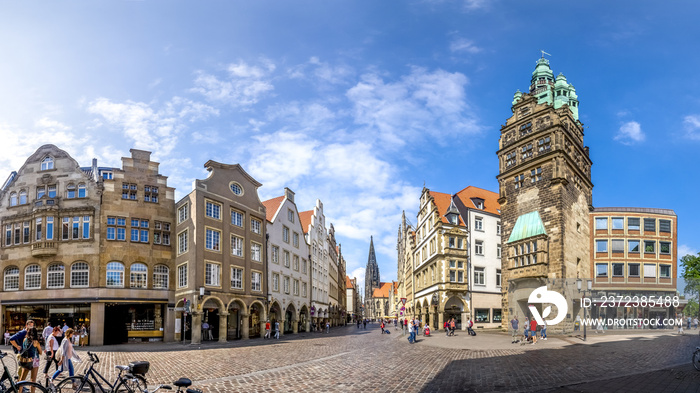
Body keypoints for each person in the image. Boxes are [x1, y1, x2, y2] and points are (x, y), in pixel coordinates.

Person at [19, 327, 42, 391]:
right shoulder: (36, 342)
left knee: (22, 379)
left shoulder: (24, 339)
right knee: (33, 380)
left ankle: (19, 392)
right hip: (34, 360)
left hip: (26, 360)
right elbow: (40, 352)